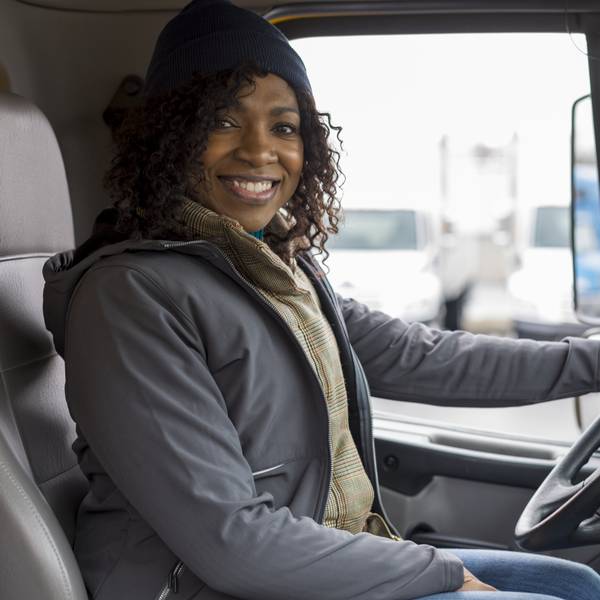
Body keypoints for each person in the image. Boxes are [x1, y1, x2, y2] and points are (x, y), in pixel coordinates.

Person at [41, 1, 600, 599]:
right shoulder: (129, 295)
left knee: (571, 582)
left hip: (311, 556)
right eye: (221, 122)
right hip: (207, 586)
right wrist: (441, 573)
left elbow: (423, 355)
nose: (260, 151)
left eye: (284, 127)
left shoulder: (277, 268)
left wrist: (588, 362)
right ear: (169, 138)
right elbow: (233, 543)